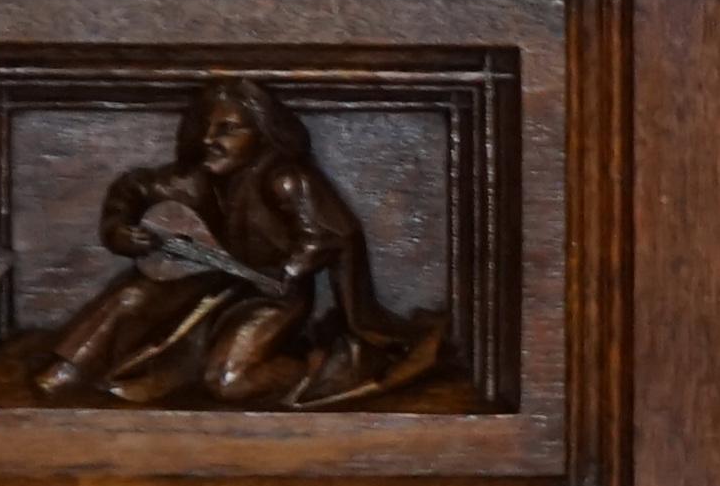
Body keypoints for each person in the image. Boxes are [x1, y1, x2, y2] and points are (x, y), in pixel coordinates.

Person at [27, 73, 444, 407]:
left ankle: (317, 366)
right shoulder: (195, 180)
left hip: (270, 296)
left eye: (228, 129)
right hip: (205, 279)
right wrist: (119, 231)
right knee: (131, 298)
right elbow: (133, 190)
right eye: (207, 129)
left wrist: (289, 269)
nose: (211, 139)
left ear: (261, 133)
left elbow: (333, 234)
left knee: (229, 382)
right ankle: (70, 368)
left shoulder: (285, 180)